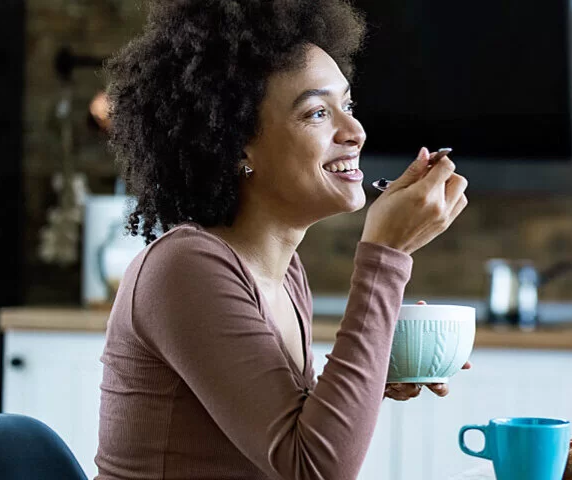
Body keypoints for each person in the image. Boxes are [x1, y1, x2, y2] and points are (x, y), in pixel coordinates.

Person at [94, 0, 469, 478]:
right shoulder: (185, 268)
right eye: (316, 113)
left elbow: (291, 434)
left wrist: (373, 373)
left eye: (347, 105)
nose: (354, 130)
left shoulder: (284, 273)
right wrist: (385, 256)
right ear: (235, 144)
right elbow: (313, 468)